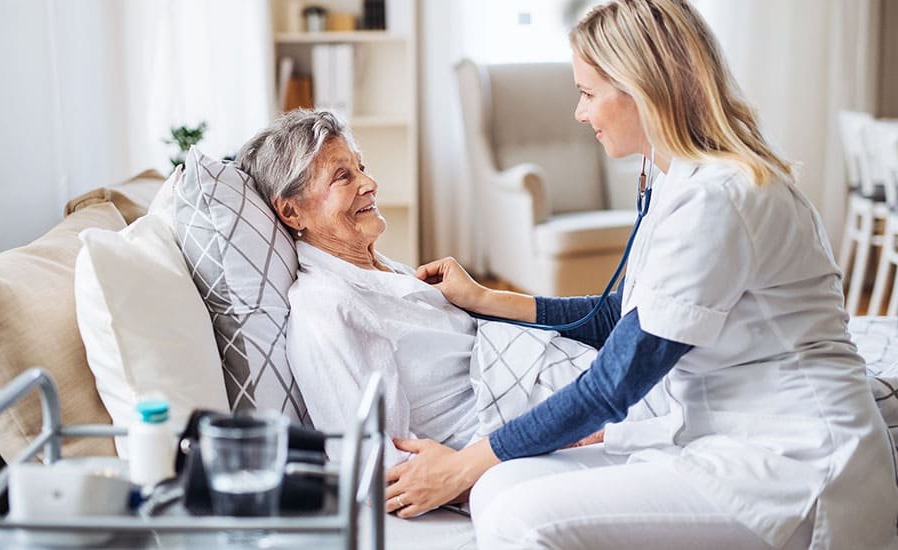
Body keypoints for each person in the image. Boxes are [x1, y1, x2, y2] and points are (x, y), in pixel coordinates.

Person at [382, 1, 898, 548]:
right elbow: (617, 315)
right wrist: (486, 298)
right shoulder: (680, 180)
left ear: (643, 89)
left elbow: (614, 384)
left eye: (587, 93)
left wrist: (463, 463)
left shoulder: (720, 198)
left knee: (517, 517)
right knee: (497, 486)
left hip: (798, 464)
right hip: (723, 437)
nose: (579, 114)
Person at [236, 110, 613, 468]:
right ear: (291, 212)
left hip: (585, 383)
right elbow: (376, 461)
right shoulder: (327, 308)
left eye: (361, 168)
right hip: (561, 425)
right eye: (342, 177)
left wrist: (480, 300)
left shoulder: (385, 271)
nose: (370, 183)